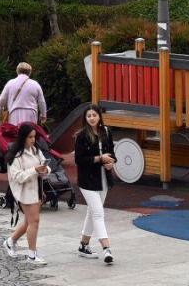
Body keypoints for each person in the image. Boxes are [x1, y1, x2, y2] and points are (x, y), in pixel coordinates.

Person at [72, 104, 116, 264]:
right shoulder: (82, 135)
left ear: (99, 116)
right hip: (87, 180)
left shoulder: (106, 132)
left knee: (93, 211)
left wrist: (111, 163)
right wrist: (99, 159)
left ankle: (83, 245)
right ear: (85, 118)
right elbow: (78, 159)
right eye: (88, 116)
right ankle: (107, 248)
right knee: (98, 213)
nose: (91, 118)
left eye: (94, 115)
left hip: (104, 179)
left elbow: (112, 153)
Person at [3, 124, 51, 264]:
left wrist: (45, 170)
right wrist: (35, 170)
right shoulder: (16, 155)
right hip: (24, 192)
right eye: (30, 137)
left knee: (29, 221)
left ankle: (10, 241)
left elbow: (45, 165)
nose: (33, 140)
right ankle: (31, 254)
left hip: (36, 190)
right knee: (34, 221)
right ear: (23, 137)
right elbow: (17, 177)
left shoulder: (35, 150)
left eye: (34, 137)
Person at [0, 62, 47, 127]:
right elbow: (42, 102)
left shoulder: (10, 83)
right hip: (31, 114)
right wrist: (43, 115)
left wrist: (1, 110)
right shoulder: (35, 84)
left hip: (14, 113)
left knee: (16, 133)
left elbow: (2, 100)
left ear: (17, 71)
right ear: (29, 72)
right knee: (29, 134)